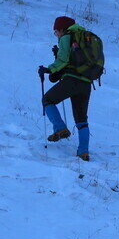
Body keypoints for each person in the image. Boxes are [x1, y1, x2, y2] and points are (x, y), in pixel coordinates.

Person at [38, 16, 93, 161]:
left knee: (47, 100)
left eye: (56, 31)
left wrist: (48, 69)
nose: (56, 34)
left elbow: (63, 60)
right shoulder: (85, 38)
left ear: (62, 29)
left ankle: (60, 128)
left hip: (72, 80)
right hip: (86, 83)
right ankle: (83, 152)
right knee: (81, 119)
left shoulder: (66, 37)